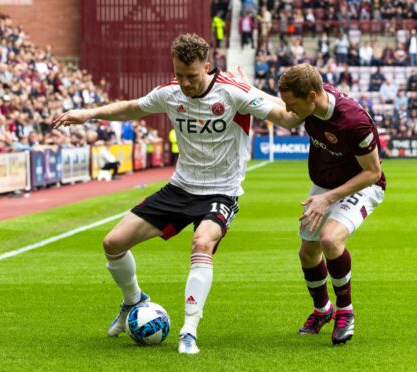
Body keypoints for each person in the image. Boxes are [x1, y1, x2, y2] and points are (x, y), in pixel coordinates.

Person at [51, 33, 299, 354]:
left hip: (220, 193)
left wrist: (254, 88)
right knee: (112, 243)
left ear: (207, 67)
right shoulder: (169, 93)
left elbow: (288, 118)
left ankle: (189, 331)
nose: (185, 82)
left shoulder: (233, 92)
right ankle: (133, 301)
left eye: (192, 76)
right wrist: (88, 113)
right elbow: (131, 107)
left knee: (201, 243)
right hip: (180, 188)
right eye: (179, 74)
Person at [267, 64, 386, 345]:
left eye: (292, 104)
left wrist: (328, 198)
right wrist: (246, 90)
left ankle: (346, 311)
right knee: (308, 252)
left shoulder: (354, 122)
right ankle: (323, 310)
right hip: (326, 185)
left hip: (362, 184)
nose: (289, 110)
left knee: (330, 240)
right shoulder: (313, 103)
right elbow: (281, 112)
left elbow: (373, 172)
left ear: (311, 96)